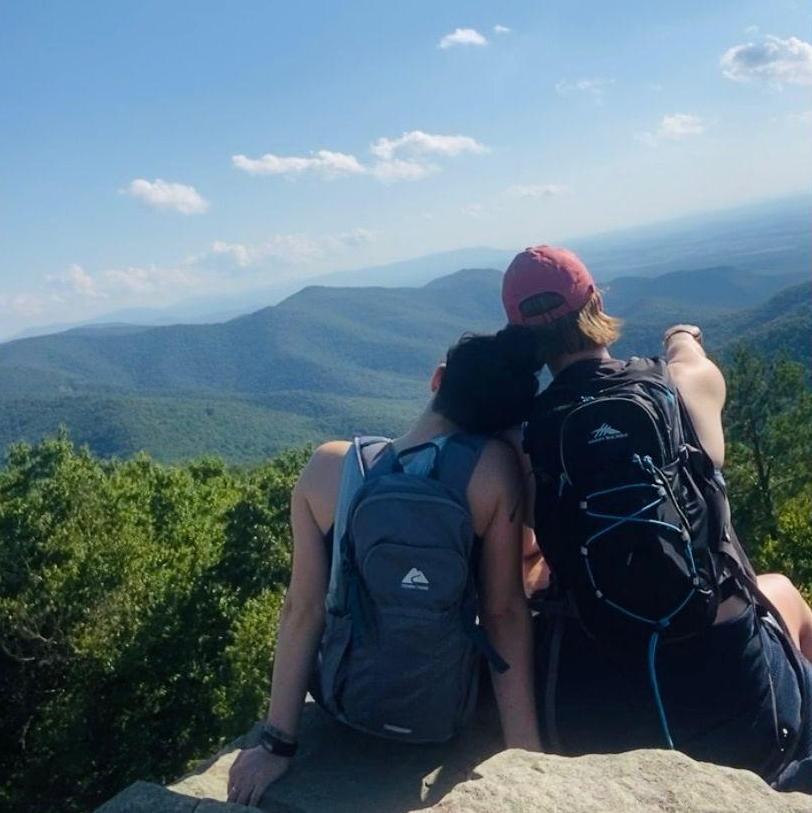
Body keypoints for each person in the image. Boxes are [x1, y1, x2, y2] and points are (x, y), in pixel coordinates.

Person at [501, 244, 812, 786]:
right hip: (737, 705)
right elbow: (692, 362)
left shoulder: (521, 440)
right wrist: (681, 335)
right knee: (783, 588)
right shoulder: (679, 392)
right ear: (594, 301)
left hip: (601, 711)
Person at [227, 329, 542, 807]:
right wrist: (526, 757)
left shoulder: (327, 467)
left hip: (346, 704)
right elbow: (503, 612)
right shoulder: (494, 472)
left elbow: (302, 609)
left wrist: (276, 745)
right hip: (447, 710)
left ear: (437, 380)